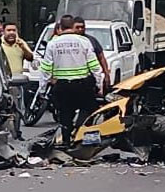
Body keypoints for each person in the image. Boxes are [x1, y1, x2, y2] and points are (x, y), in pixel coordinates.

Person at [40, 15, 103, 146]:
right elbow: (94, 65)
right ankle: (82, 134)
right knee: (89, 109)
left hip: (62, 85)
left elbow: (46, 68)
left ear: (60, 27)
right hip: (82, 84)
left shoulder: (53, 43)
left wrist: (42, 88)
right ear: (72, 26)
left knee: (65, 114)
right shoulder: (84, 41)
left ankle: (66, 141)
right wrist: (98, 83)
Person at [73, 17, 111, 91]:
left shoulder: (91, 40)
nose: (80, 29)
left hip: (88, 78)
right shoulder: (67, 41)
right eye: (77, 27)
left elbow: (101, 57)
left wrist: (106, 74)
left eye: (82, 27)